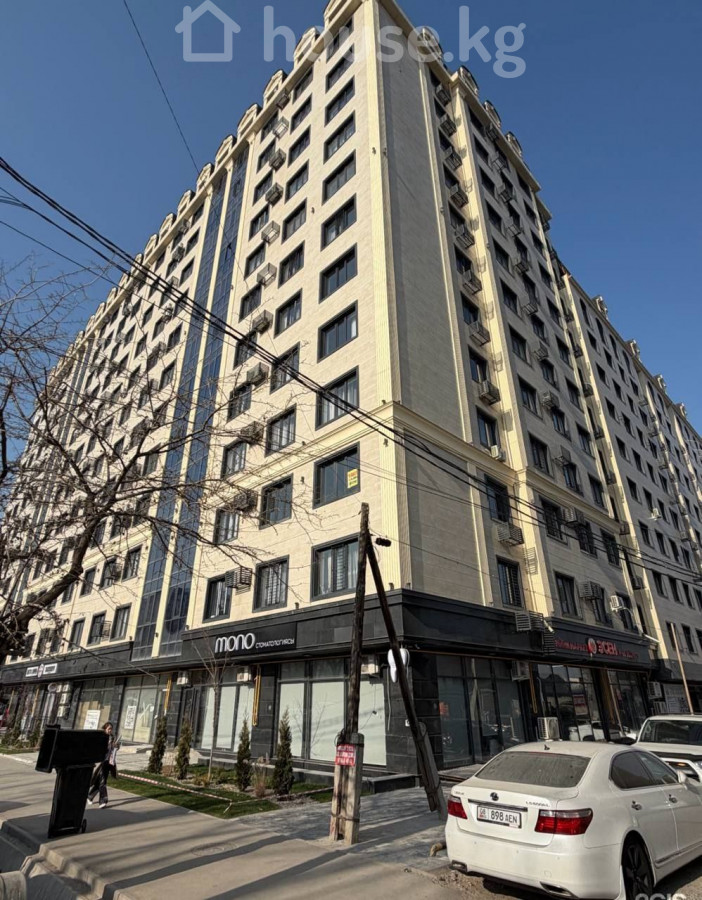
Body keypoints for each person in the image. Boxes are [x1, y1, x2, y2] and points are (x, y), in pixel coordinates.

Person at [87, 721, 120, 809]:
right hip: (102, 762)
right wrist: (108, 745)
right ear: (105, 729)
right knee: (103, 782)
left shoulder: (112, 738)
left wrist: (116, 746)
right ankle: (103, 801)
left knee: (100, 781)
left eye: (111, 729)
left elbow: (115, 748)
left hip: (109, 762)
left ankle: (90, 796)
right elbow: (98, 749)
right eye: (109, 729)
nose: (110, 730)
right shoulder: (102, 738)